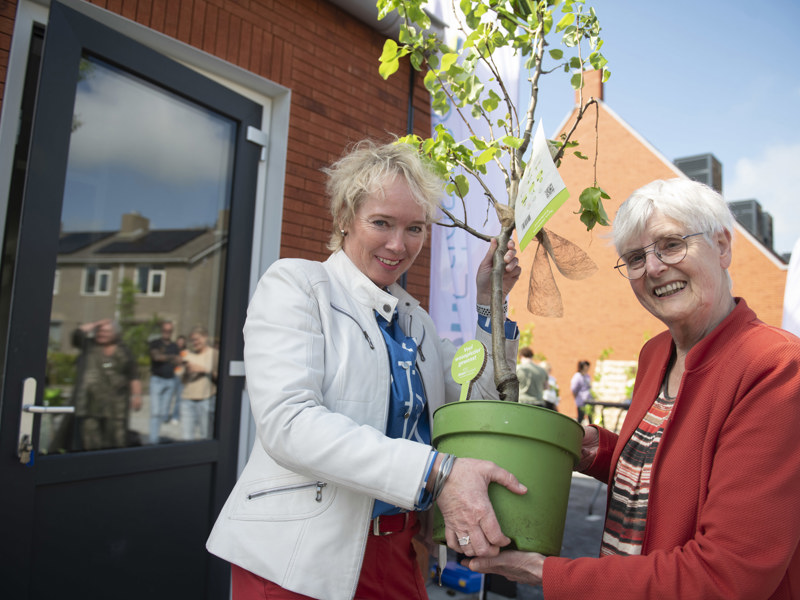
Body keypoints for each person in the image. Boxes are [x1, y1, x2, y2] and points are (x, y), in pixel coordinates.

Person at [206, 140, 526, 600]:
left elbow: (477, 406)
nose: (399, 244)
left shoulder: (416, 321)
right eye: (381, 223)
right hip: (294, 559)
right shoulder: (297, 286)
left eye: (415, 228)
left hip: (398, 553)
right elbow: (289, 424)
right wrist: (436, 472)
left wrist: (488, 300)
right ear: (344, 219)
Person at [463, 178, 800, 599]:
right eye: (636, 258)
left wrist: (549, 574)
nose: (654, 268)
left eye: (671, 244)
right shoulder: (656, 353)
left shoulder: (774, 366)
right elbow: (678, 471)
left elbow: (728, 576)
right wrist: (599, 450)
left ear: (723, 246)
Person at [65, 318, 142, 450]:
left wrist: (136, 395)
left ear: (116, 334)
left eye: (106, 332)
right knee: (89, 442)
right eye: (99, 332)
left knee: (116, 442)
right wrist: (95, 324)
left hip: (116, 407)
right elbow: (76, 335)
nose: (102, 335)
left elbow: (133, 375)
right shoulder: (89, 346)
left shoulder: (124, 352)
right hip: (90, 405)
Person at [180, 326, 218, 440]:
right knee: (186, 437)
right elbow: (182, 379)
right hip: (187, 400)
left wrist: (204, 370)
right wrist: (186, 371)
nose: (195, 342)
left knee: (206, 435)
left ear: (205, 337)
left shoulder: (214, 354)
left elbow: (223, 377)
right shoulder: (187, 355)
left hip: (206, 399)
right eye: (193, 340)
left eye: (197, 339)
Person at [148, 320, 180, 444]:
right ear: (162, 330)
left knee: (164, 413)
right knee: (155, 412)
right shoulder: (155, 343)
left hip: (170, 380)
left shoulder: (174, 346)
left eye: (169, 330)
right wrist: (171, 357)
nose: (167, 332)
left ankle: (158, 438)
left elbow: (178, 360)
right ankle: (153, 440)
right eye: (165, 330)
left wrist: (167, 357)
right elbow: (156, 357)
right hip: (157, 380)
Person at [570, 360, 593, 424]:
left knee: (590, 417)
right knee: (580, 417)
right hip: (581, 400)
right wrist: (576, 397)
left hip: (589, 400)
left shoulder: (587, 376)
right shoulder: (577, 376)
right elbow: (574, 388)